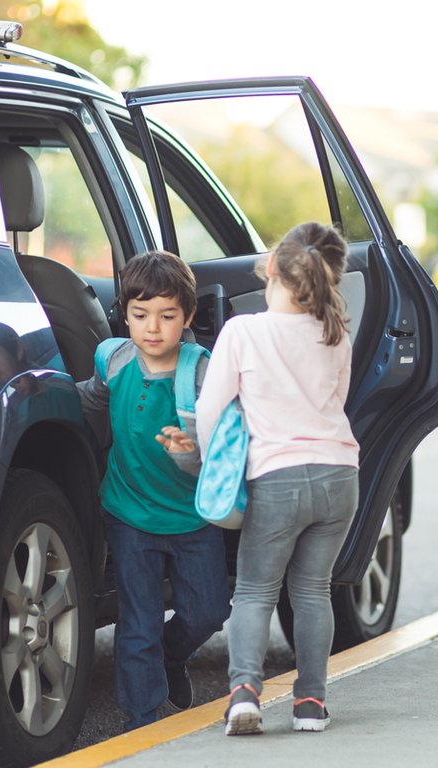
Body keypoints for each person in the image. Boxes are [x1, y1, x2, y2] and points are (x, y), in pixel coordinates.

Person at [162, 222, 359, 735]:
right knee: (313, 591)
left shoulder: (244, 332)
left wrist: (209, 464)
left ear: (271, 267)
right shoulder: (335, 333)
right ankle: (311, 702)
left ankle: (245, 694)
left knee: (255, 591)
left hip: (277, 477)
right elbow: (337, 401)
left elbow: (211, 409)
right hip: (340, 476)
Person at [76, 251, 230, 732]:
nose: (153, 328)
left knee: (208, 612)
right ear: (125, 314)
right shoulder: (114, 358)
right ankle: (143, 719)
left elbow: (227, 441)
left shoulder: (200, 371)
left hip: (192, 516)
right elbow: (91, 399)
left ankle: (171, 653)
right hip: (129, 513)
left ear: (188, 316)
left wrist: (194, 447)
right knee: (138, 621)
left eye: (167, 315)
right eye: (141, 315)